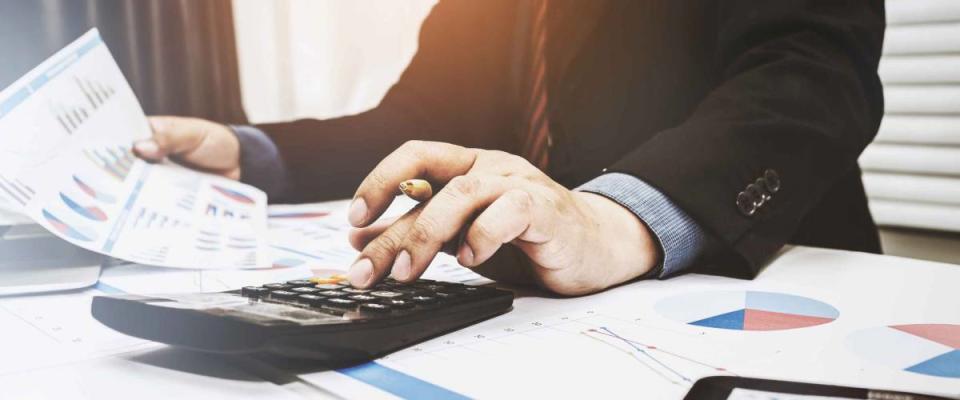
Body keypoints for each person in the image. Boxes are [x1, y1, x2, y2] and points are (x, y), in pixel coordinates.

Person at [134, 1, 886, 295]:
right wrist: (244, 152)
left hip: (777, 293)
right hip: (563, 327)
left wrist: (618, 219)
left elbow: (809, 74)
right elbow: (414, 120)